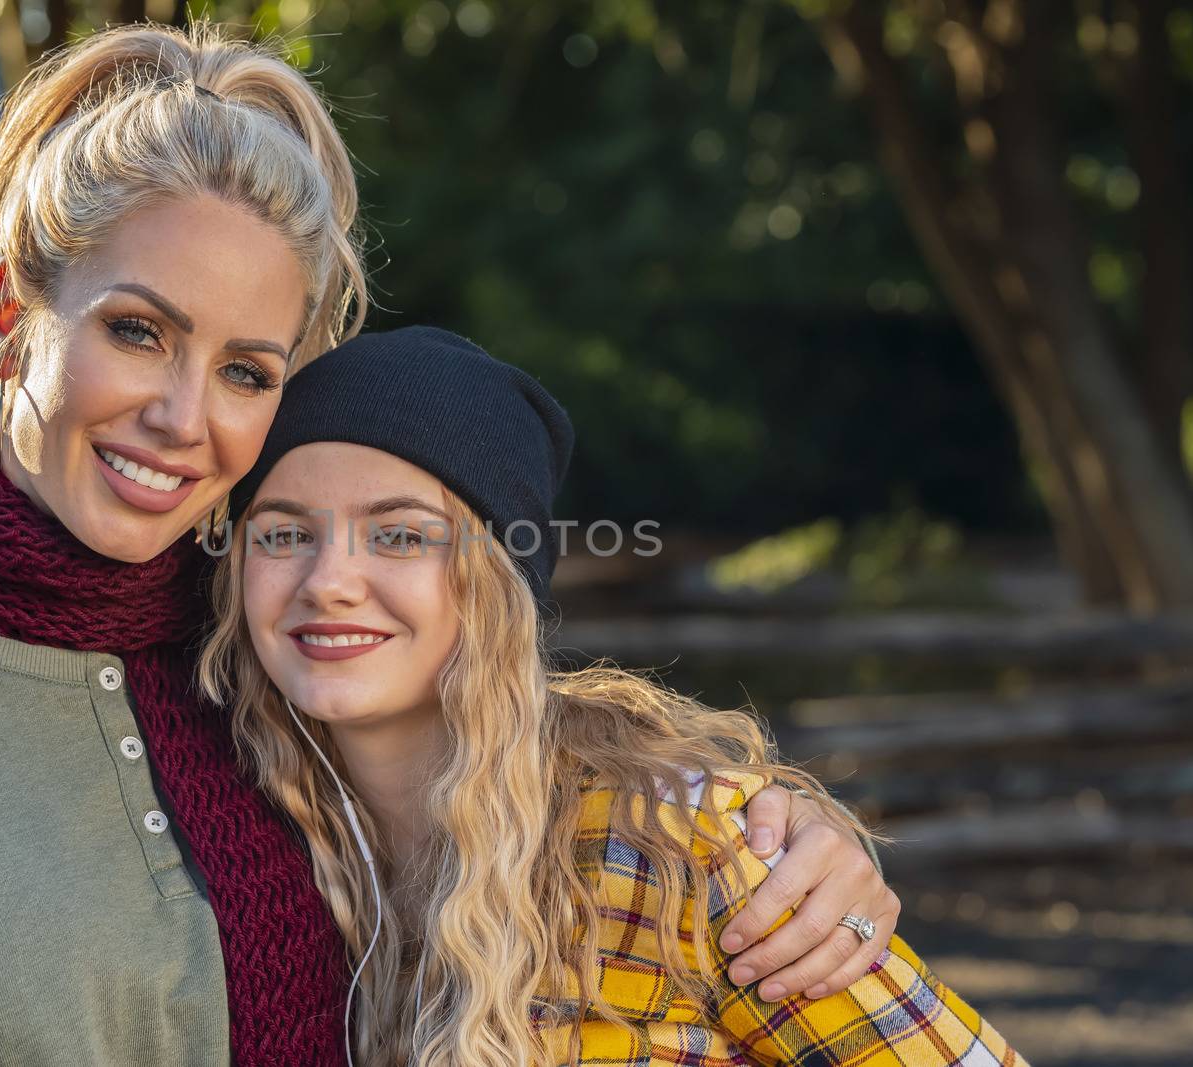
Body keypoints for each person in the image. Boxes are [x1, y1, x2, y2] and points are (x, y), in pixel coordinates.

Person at [0, 24, 897, 1067]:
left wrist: (771, 838)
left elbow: (499, 749)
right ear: (14, 317)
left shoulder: (267, 679)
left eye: (245, 368)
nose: (185, 418)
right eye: (137, 331)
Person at [201, 326, 1025, 1066]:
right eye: (283, 532)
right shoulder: (250, 852)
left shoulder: (674, 846)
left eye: (401, 534)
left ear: (495, 586)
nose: (330, 580)